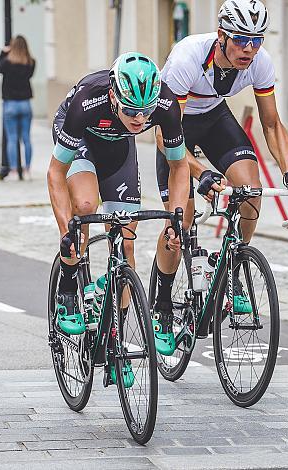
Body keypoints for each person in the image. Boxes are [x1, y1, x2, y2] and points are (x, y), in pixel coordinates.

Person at [154, 0, 288, 334]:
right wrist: (201, 171)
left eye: (257, 40)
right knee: (178, 224)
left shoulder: (260, 63)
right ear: (221, 35)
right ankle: (163, 305)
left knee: (250, 191)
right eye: (241, 39)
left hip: (214, 119)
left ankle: (233, 268)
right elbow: (164, 137)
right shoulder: (188, 58)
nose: (249, 49)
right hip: (174, 127)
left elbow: (271, 124)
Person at [48, 52, 190, 360]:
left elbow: (179, 167)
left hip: (118, 146)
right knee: (85, 206)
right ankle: (68, 289)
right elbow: (55, 172)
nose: (140, 119)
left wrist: (175, 220)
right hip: (81, 139)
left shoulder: (164, 104)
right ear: (114, 96)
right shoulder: (88, 100)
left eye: (146, 112)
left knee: (126, 242)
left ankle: (115, 337)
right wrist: (65, 231)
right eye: (131, 111)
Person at [0, 35, 36, 181]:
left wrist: (3, 53)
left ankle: (14, 172)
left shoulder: (7, 62)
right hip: (25, 103)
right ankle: (28, 170)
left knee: (12, 138)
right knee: (26, 138)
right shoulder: (30, 62)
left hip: (10, 103)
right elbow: (29, 75)